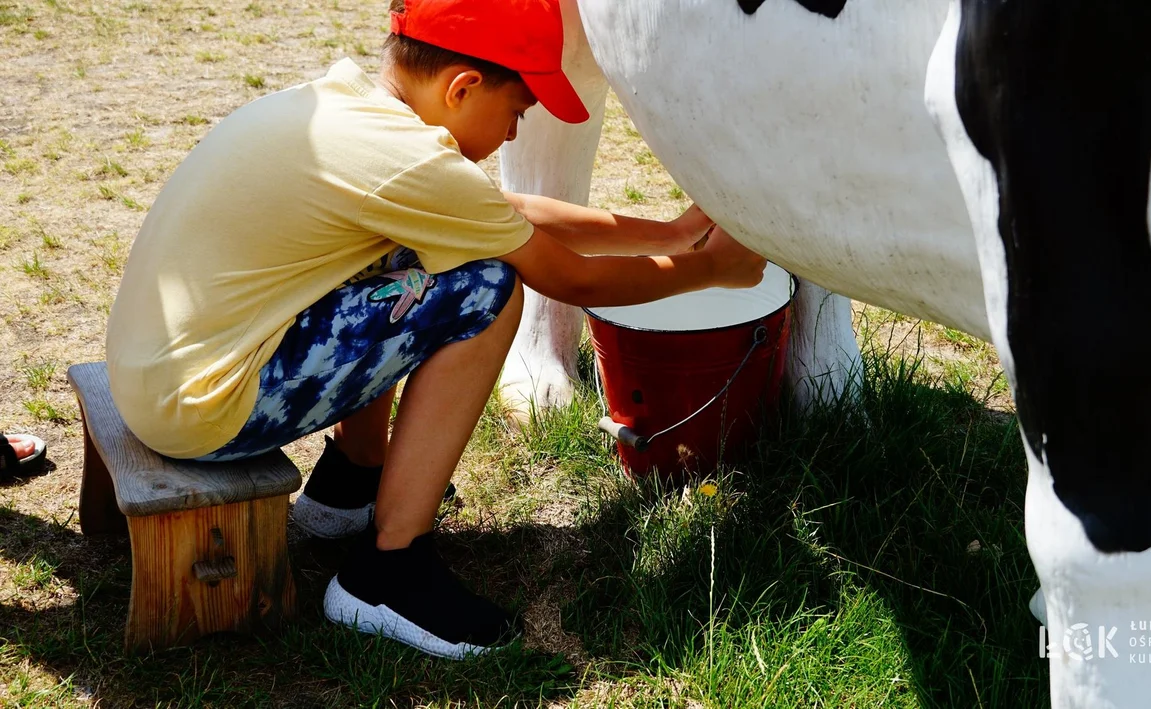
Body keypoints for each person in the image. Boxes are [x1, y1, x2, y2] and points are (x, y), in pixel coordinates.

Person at [104, 0, 766, 658]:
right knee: (488, 289)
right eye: (517, 113)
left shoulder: (355, 115)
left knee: (419, 254)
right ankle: (385, 575)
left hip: (161, 376)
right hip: (202, 406)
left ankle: (350, 486)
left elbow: (506, 210)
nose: (512, 135)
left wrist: (674, 235)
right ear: (462, 88)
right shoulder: (411, 168)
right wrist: (707, 269)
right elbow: (573, 281)